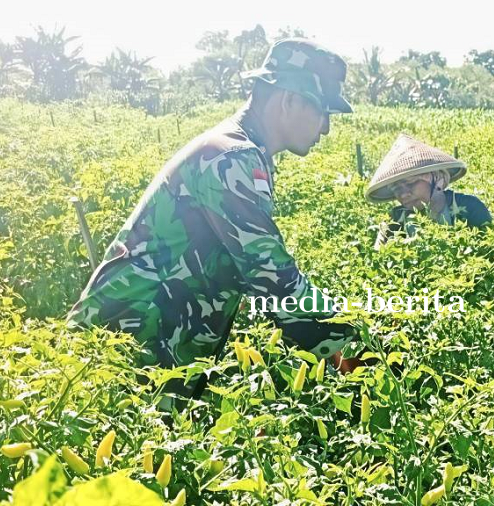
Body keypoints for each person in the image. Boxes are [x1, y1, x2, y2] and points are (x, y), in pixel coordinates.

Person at [67, 39, 357, 400]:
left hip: (148, 342)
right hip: (126, 346)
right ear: (289, 100)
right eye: (322, 112)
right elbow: (273, 278)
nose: (326, 128)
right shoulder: (231, 159)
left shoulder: (242, 152)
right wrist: (356, 345)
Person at [366, 134, 492, 249]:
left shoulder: (470, 208)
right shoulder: (395, 219)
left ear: (437, 179)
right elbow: (379, 259)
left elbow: (489, 253)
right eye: (396, 188)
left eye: (411, 183)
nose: (404, 194)